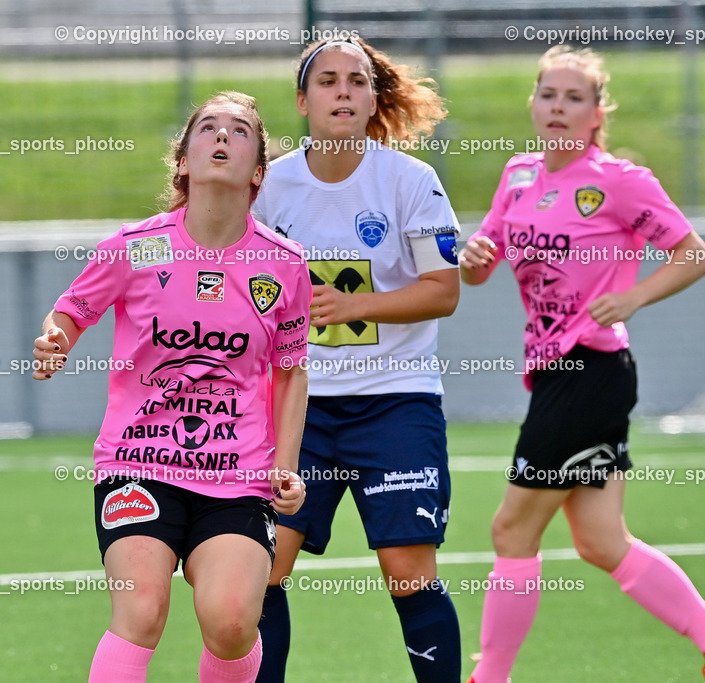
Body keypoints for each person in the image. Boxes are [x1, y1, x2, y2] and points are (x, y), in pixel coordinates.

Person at [459, 46, 705, 683]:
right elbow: (485, 261)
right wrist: (473, 258)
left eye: (574, 98)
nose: (559, 108)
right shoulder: (517, 175)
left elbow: (694, 254)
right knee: (601, 540)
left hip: (590, 372)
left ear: (597, 113)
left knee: (511, 530)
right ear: (533, 104)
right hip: (556, 372)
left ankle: (491, 677)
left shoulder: (620, 181)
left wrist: (633, 297)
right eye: (548, 95)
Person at [32, 91, 312, 683]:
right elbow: (72, 311)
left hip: (238, 475)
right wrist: (56, 339)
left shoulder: (284, 264)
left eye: (238, 131)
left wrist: (285, 468)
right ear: (183, 160)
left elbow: (290, 369)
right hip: (138, 463)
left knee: (231, 622)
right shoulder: (138, 247)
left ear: (258, 172)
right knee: (141, 610)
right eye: (207, 127)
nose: (221, 136)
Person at [252, 37, 462, 682]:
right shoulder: (269, 186)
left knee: (408, 573)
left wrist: (354, 306)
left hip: (396, 402)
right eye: (327, 81)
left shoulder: (412, 181)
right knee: (262, 568)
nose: (342, 91)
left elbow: (443, 291)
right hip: (299, 410)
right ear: (302, 101)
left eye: (356, 81)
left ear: (373, 100)